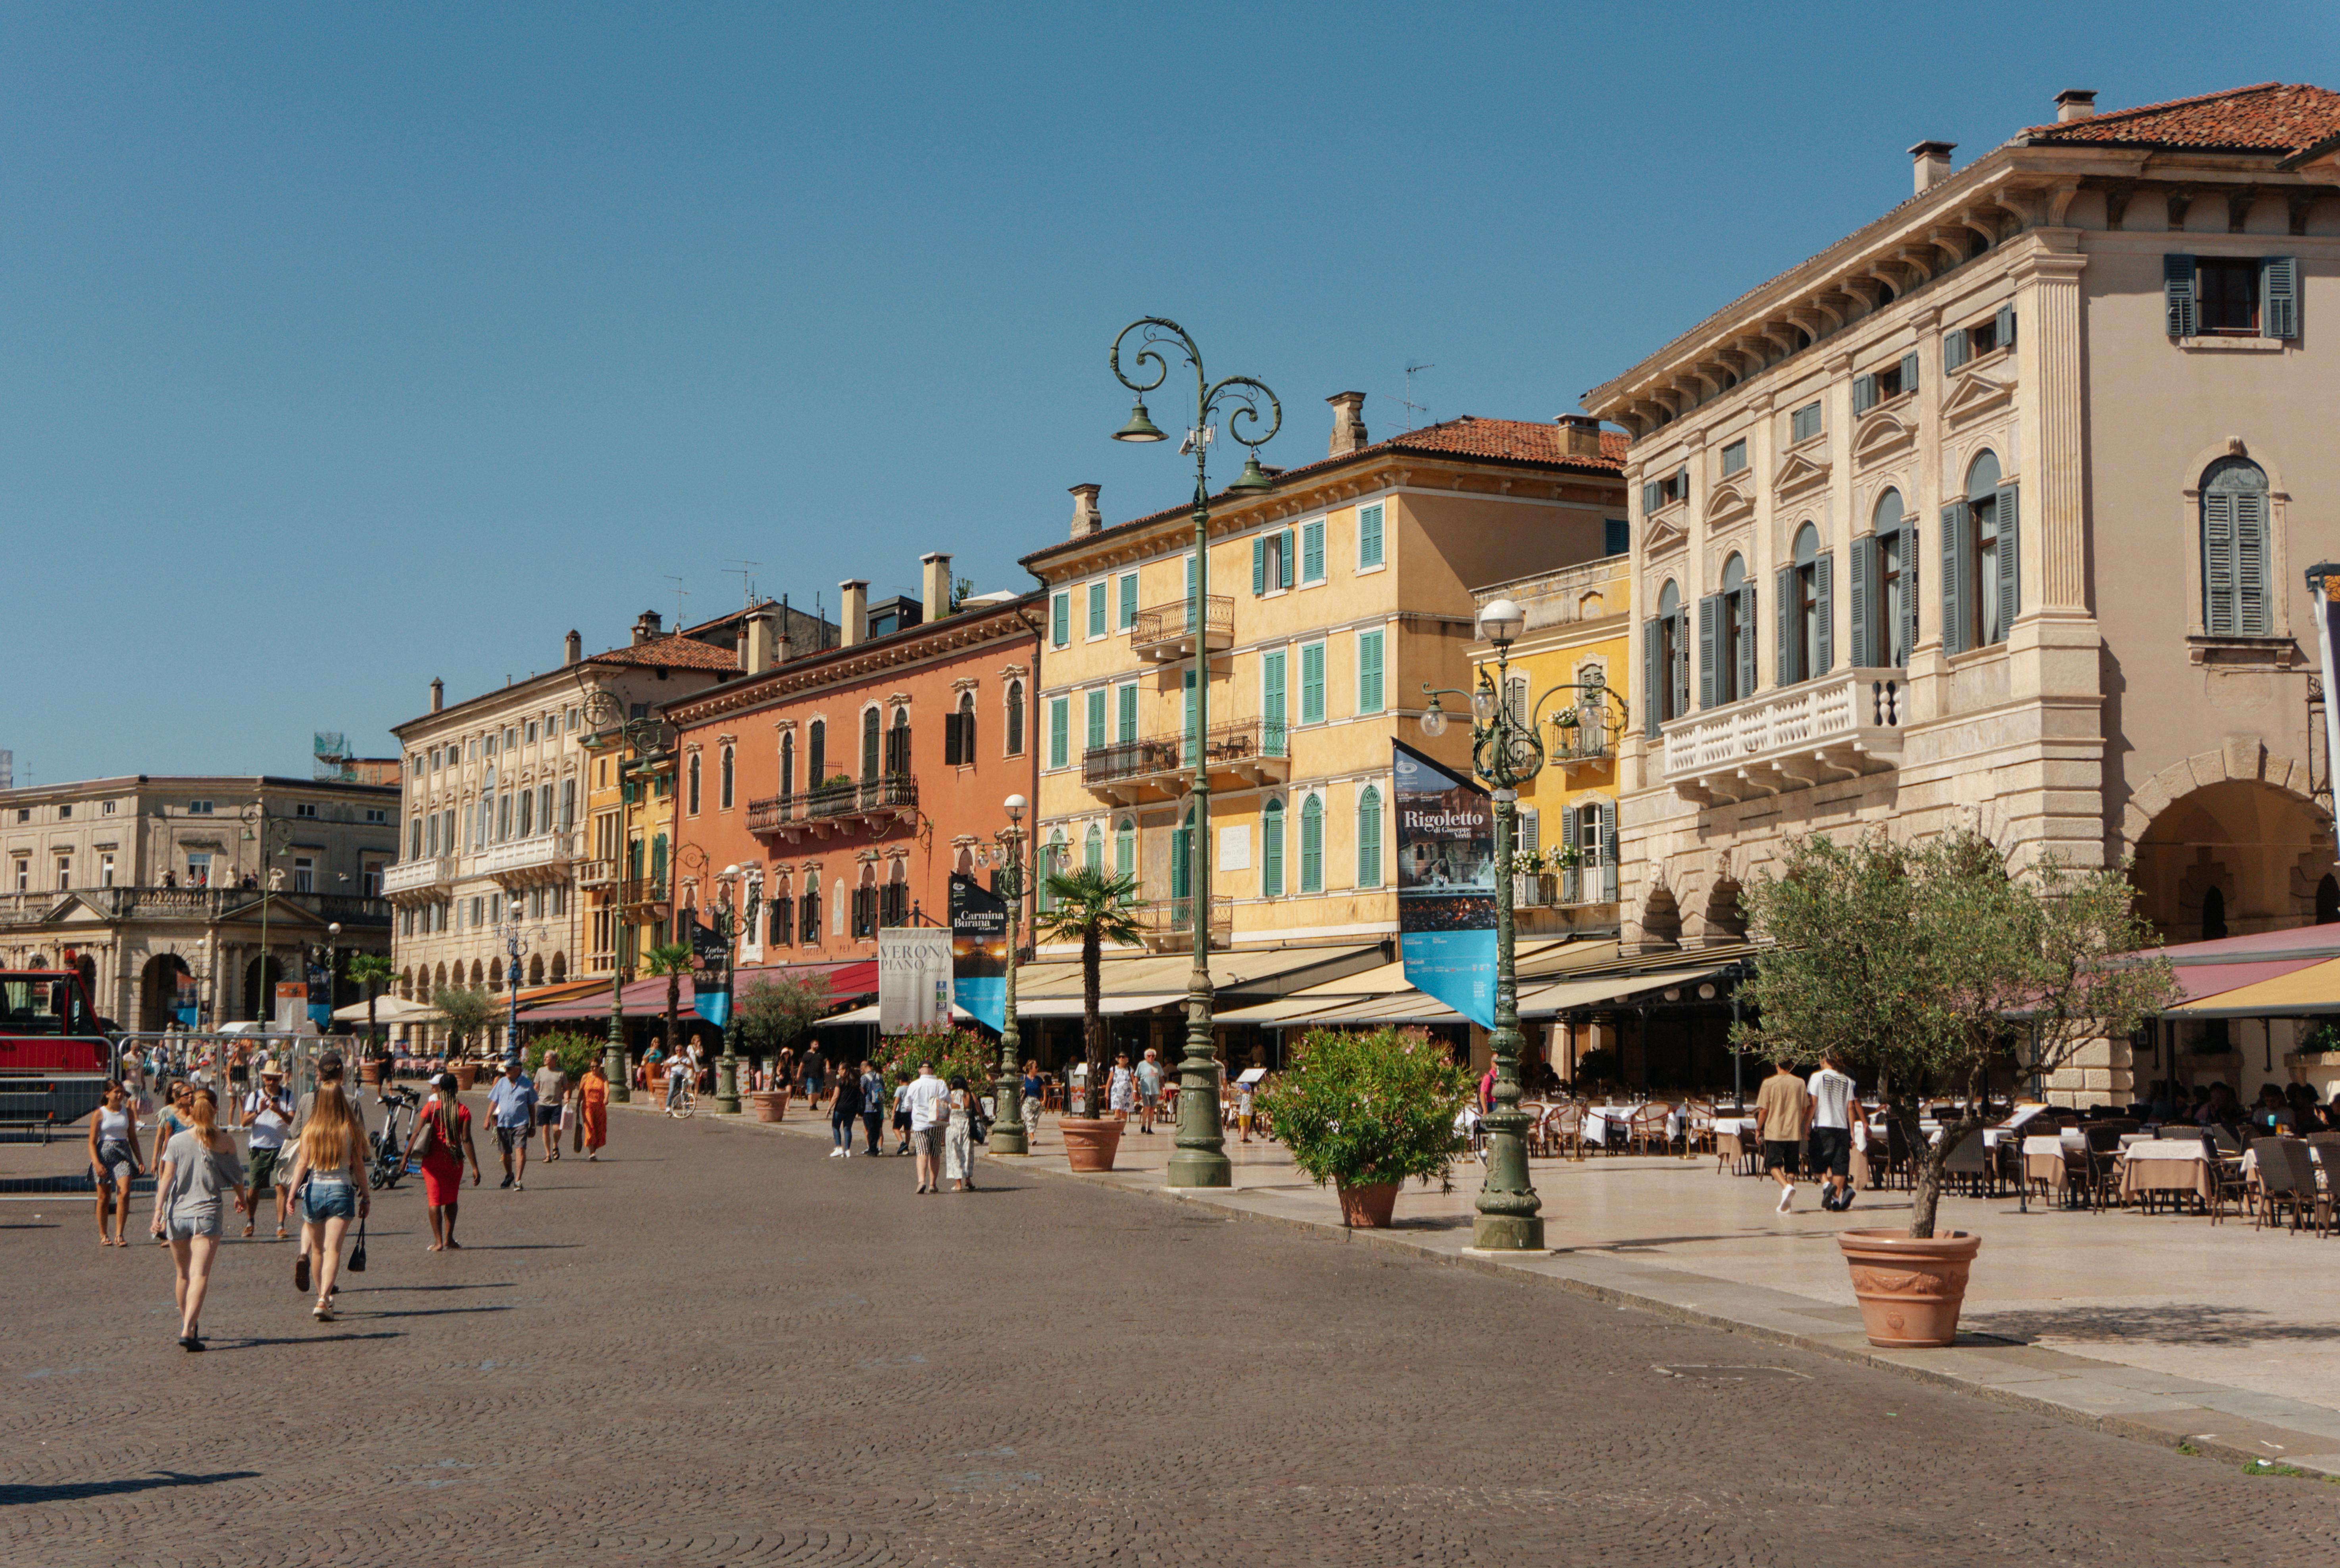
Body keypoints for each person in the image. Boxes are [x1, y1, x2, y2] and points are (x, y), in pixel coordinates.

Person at [148, 1087, 249, 1350]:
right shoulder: (224, 1141)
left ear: (191, 1109)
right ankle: (189, 1329)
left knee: (183, 1275)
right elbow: (236, 1175)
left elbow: (166, 1178)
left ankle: (189, 1325)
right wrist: (242, 1198)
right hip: (206, 1214)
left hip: (177, 1214)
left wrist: (158, 1212)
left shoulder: (177, 1141)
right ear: (216, 1109)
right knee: (200, 1274)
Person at [282, 1078, 371, 1322]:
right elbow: (359, 1166)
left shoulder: (311, 1131)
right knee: (333, 1249)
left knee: (318, 1249)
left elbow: (302, 1164)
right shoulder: (349, 1130)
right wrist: (366, 1196)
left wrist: (291, 1195)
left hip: (315, 1190)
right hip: (341, 1189)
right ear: (342, 1101)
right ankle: (324, 1298)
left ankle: (320, 1297)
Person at [403, 1073, 480, 1250]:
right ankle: (449, 1239)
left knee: (434, 1201)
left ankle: (438, 1242)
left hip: (432, 1162)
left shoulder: (430, 1108)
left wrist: (406, 1157)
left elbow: (416, 1133)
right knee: (452, 1200)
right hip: (453, 1162)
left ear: (441, 1089)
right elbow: (466, 1140)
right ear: (456, 1089)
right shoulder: (463, 1111)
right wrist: (475, 1167)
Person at [241, 1060, 294, 1241]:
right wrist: (259, 1111)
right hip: (259, 1147)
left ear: (280, 1079)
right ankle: (250, 1222)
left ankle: (281, 1226)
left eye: (275, 1079)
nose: (271, 1082)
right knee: (254, 1187)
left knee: (281, 1187)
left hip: (281, 1147)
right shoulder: (255, 1096)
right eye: (268, 1079)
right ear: (263, 1078)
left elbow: (293, 1121)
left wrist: (279, 1111)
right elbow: (243, 1122)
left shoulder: (288, 1095)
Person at [87, 1079, 142, 1247]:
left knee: (124, 1193)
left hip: (123, 1153)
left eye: (121, 1092)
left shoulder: (128, 1112)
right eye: (116, 1092)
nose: (120, 1095)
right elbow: (92, 1142)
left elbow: (133, 1138)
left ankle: (120, 1234)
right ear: (107, 1094)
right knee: (104, 1197)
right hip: (104, 1154)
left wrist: (140, 1160)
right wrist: (96, 1163)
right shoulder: (99, 1114)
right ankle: (103, 1234)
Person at [1753, 1057, 1810, 1214]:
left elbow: (1764, 1110)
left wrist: (1758, 1128)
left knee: (1773, 1164)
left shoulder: (1769, 1083)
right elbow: (1805, 1108)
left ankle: (1786, 1187)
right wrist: (1798, 1121)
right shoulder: (1800, 1083)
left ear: (1776, 1065)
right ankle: (1788, 1204)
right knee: (1792, 1167)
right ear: (1791, 1066)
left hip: (1775, 1131)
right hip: (1793, 1131)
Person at [1806, 1053, 1858, 1213]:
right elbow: (1851, 1107)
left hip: (1823, 1125)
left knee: (1817, 1158)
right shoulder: (1847, 1080)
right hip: (1842, 1127)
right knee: (1840, 1165)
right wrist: (1852, 1131)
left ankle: (1827, 1185)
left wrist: (1806, 1125)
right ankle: (1835, 1201)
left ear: (1824, 1061)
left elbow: (1813, 1104)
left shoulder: (1817, 1077)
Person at [488, 1058, 537, 1189]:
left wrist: (533, 1126)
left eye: (509, 1069)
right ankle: (510, 1175)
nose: (506, 1071)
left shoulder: (527, 1084)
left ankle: (518, 1181)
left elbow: (532, 1106)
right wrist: (487, 1119)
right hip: (503, 1123)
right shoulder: (501, 1082)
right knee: (505, 1154)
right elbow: (494, 1102)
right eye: (506, 1069)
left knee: (520, 1149)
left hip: (521, 1123)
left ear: (517, 1069)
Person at [904, 1061, 951, 1194]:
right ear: (932, 1070)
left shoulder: (914, 1085)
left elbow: (907, 1106)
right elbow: (947, 1101)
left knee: (922, 1152)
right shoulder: (940, 1084)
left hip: (920, 1124)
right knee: (935, 1153)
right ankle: (933, 1184)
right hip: (937, 1123)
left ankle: (921, 1181)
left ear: (920, 1070)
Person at [534, 1051, 569, 1161]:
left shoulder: (561, 1072)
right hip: (543, 1104)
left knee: (557, 1129)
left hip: (556, 1105)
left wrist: (566, 1097)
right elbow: (536, 1087)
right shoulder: (540, 1071)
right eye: (544, 1057)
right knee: (545, 1129)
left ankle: (555, 1145)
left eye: (547, 1057)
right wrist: (531, 1098)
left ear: (554, 1059)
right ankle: (548, 1155)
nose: (544, 1059)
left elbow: (566, 1088)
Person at [944, 1073, 977, 1191]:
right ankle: (968, 1179)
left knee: (955, 1153)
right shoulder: (970, 1095)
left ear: (953, 1085)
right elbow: (978, 1109)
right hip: (967, 1125)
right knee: (967, 1152)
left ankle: (958, 1183)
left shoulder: (950, 1096)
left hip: (953, 1126)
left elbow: (944, 1111)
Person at [829, 1057, 864, 1157]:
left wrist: (829, 1108)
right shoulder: (856, 1081)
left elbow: (836, 1096)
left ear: (844, 1070)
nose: (838, 1071)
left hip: (841, 1108)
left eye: (839, 1070)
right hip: (852, 1109)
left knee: (835, 1127)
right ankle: (848, 1150)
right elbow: (863, 1092)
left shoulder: (840, 1081)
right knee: (847, 1129)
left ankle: (839, 1147)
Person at [577, 1056, 609, 1161]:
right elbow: (581, 1092)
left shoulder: (603, 1077)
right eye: (592, 1067)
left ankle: (594, 1151)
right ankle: (592, 1153)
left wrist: (606, 1098)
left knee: (599, 1129)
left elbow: (607, 1089)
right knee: (590, 1127)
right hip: (588, 1106)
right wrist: (578, 1105)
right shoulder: (585, 1077)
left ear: (600, 1067)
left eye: (596, 1066)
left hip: (600, 1107)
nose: (594, 1069)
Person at [859, 1061, 886, 1155]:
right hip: (879, 1106)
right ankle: (876, 1149)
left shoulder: (864, 1078)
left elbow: (862, 1090)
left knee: (870, 1129)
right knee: (877, 1129)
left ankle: (872, 1149)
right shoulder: (879, 1076)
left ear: (863, 1068)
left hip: (868, 1107)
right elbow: (883, 1088)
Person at [1135, 1048, 1164, 1134]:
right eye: (1149, 1056)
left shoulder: (1157, 1065)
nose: (1151, 1057)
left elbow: (1161, 1078)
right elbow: (1136, 1078)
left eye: (1153, 1056)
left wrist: (1164, 1088)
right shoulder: (1141, 1065)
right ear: (1146, 1057)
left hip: (1155, 1090)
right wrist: (1135, 1090)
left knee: (1152, 1109)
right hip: (1145, 1090)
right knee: (1147, 1107)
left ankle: (1149, 1128)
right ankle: (1143, 1125)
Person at [1021, 1061, 1044, 1147]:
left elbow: (1044, 1089)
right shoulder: (1023, 1078)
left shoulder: (1038, 1079)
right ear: (1030, 1069)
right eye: (1036, 1067)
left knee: (1035, 1120)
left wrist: (1044, 1100)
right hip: (1026, 1103)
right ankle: (1033, 1139)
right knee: (1030, 1119)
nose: (1037, 1069)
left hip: (1037, 1103)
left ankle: (1025, 1131)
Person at [1107, 1054, 1136, 1121]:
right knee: (1117, 1109)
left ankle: (1122, 1127)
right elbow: (1109, 1081)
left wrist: (1135, 1091)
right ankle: (1117, 1126)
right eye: (1120, 1057)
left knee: (1125, 1112)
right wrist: (1107, 1092)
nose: (1121, 1059)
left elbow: (1134, 1081)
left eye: (1123, 1057)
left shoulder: (1130, 1069)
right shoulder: (1114, 1069)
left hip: (1127, 1094)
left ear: (1127, 1060)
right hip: (1116, 1093)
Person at [892, 1074, 914, 1156]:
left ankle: (902, 1143)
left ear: (900, 1081)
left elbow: (896, 1101)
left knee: (895, 1128)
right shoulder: (911, 1088)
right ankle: (906, 1148)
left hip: (901, 1111)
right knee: (907, 1130)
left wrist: (893, 1113)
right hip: (910, 1111)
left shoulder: (900, 1089)